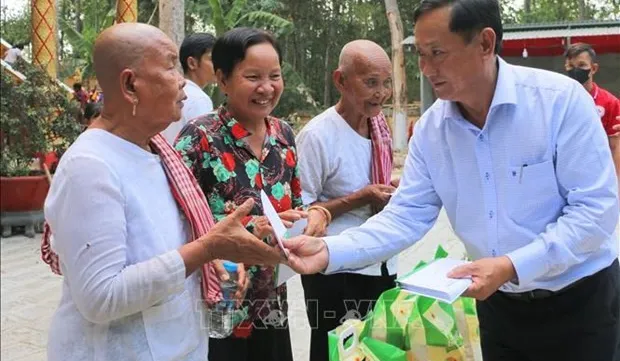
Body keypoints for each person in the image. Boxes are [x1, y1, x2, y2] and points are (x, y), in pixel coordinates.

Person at [284, 1, 620, 361]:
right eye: (421, 55)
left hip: (581, 302)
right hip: (499, 308)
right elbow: (404, 216)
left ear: (485, 44)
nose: (426, 69)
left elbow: (595, 212)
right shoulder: (431, 131)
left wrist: (511, 265)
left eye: (438, 53)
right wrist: (330, 251)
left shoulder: (559, 103)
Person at [40, 23, 283, 361]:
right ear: (130, 85)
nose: (182, 79)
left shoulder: (156, 150)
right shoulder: (90, 165)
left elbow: (172, 243)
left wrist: (224, 248)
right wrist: (207, 249)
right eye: (170, 66)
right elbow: (100, 297)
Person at [174, 27, 307, 361]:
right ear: (222, 78)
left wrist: (300, 221)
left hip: (272, 298)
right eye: (252, 76)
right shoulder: (199, 137)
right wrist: (251, 229)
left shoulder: (284, 134)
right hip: (220, 299)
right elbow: (177, 221)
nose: (267, 88)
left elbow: (296, 201)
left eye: (274, 75)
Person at [295, 39, 398, 361]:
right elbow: (301, 212)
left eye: (386, 83)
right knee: (334, 353)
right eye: (370, 83)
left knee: (380, 351)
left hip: (381, 263)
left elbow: (377, 183)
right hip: (335, 273)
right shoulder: (317, 135)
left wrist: (387, 191)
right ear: (340, 80)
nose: (380, 93)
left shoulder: (378, 126)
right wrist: (362, 197)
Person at [565, 43, 620, 176]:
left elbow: (615, 146)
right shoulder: (559, 100)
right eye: (571, 66)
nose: (575, 70)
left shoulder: (610, 102)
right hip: (568, 172)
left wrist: (615, 183)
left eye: (582, 65)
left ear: (593, 68)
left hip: (599, 174)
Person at [162, 32, 217, 144]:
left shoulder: (172, 93)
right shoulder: (199, 100)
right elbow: (203, 145)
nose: (219, 65)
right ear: (192, 63)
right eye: (212, 59)